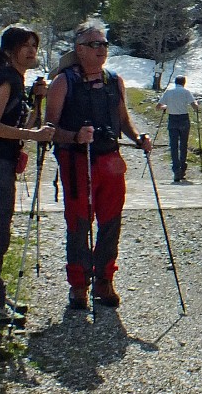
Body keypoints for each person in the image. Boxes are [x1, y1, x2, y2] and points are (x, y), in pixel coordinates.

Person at [46, 23, 152, 310]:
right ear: (79, 49)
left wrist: (138, 138)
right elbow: (49, 129)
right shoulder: (62, 82)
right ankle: (79, 284)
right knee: (79, 223)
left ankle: (104, 279)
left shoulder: (114, 81)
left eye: (104, 43)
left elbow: (123, 119)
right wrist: (75, 137)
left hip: (110, 158)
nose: (101, 49)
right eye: (94, 44)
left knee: (111, 221)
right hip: (76, 162)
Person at [0, 27, 54, 326]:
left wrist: (36, 101)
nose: (32, 50)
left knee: (0, 230)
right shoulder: (6, 79)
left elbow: (24, 124)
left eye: (34, 45)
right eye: (25, 46)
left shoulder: (15, 81)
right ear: (10, 51)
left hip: (1, 164)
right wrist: (32, 134)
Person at [156, 75, 200, 182]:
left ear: (175, 82)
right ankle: (183, 169)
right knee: (183, 145)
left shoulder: (169, 92)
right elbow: (194, 107)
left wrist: (167, 107)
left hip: (173, 119)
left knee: (174, 146)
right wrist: (197, 104)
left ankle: (176, 170)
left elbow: (158, 107)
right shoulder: (186, 92)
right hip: (184, 118)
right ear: (184, 83)